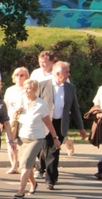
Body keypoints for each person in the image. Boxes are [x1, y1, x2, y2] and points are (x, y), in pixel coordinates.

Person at [37, 61, 87, 189]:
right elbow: (35, 103)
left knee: (54, 150)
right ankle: (42, 167)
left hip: (60, 123)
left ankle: (51, 179)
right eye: (66, 72)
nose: (68, 74)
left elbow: (75, 108)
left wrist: (81, 128)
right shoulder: (42, 86)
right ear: (58, 73)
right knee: (45, 150)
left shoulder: (70, 88)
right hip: (45, 122)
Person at [12, 80, 61, 199]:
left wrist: (55, 138)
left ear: (35, 90)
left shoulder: (41, 105)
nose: (27, 91)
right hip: (22, 138)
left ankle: (21, 190)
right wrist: (17, 111)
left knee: (26, 163)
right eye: (25, 88)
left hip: (36, 139)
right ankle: (34, 183)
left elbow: (49, 124)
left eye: (29, 88)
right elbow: (14, 119)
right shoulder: (21, 101)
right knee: (26, 164)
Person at [3, 67, 30, 174]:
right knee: (11, 143)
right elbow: (5, 106)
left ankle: (24, 165)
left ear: (26, 77)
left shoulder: (28, 89)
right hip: (12, 120)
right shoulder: (10, 90)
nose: (19, 77)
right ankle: (14, 165)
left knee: (23, 144)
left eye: (22, 75)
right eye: (17, 75)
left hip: (25, 121)